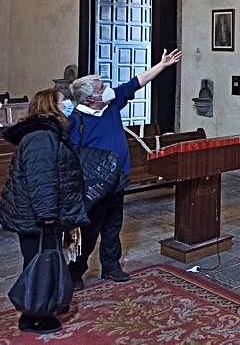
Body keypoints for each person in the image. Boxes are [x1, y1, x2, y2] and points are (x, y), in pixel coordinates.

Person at [67, 48, 182, 289]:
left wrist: (162, 65)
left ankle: (111, 266)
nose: (107, 88)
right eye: (101, 87)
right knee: (89, 230)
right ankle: (75, 272)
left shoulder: (110, 104)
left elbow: (136, 83)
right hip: (94, 185)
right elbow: (71, 156)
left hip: (117, 177)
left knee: (113, 225)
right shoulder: (75, 121)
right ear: (89, 98)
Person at [0, 89, 89, 335]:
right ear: (52, 106)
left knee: (36, 262)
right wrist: (47, 215)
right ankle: (41, 315)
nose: (68, 105)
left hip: (35, 213)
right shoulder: (42, 137)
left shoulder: (44, 133)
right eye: (63, 101)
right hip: (38, 214)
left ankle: (31, 315)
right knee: (42, 262)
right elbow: (42, 180)